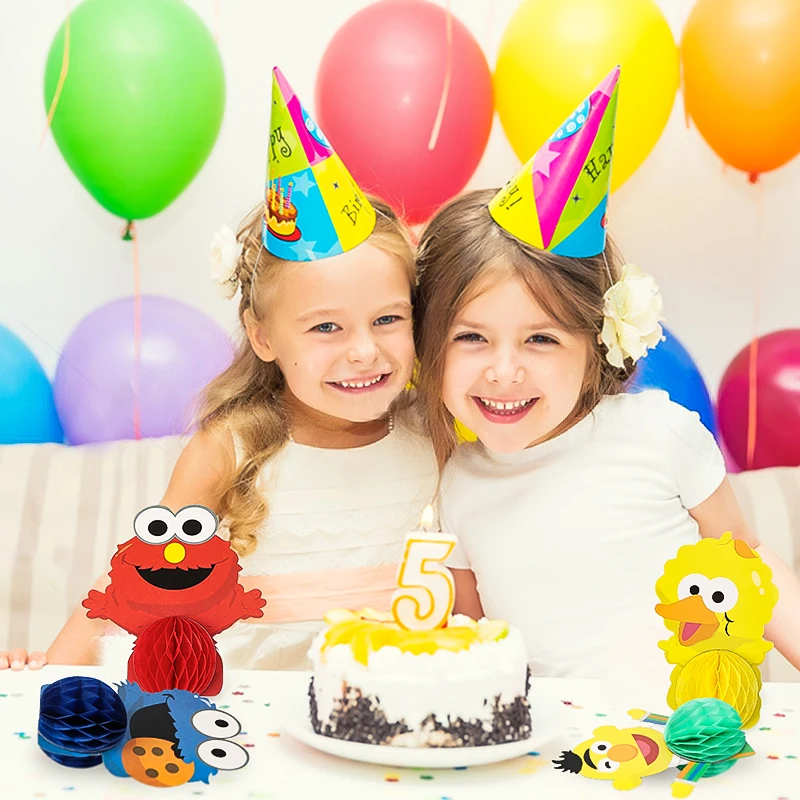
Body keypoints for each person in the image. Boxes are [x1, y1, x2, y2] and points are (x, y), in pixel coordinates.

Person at [2, 67, 436, 671]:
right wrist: (49, 674)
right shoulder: (230, 448)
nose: (364, 351)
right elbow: (137, 580)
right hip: (254, 720)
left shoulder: (434, 435)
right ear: (263, 337)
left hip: (400, 714)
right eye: (326, 327)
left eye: (388, 320)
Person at [413, 67, 800, 678]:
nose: (504, 370)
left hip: (691, 732)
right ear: (428, 348)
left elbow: (744, 559)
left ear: (595, 344)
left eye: (540, 338)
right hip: (554, 758)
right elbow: (473, 643)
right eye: (471, 338)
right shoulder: (456, 483)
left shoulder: (657, 432)